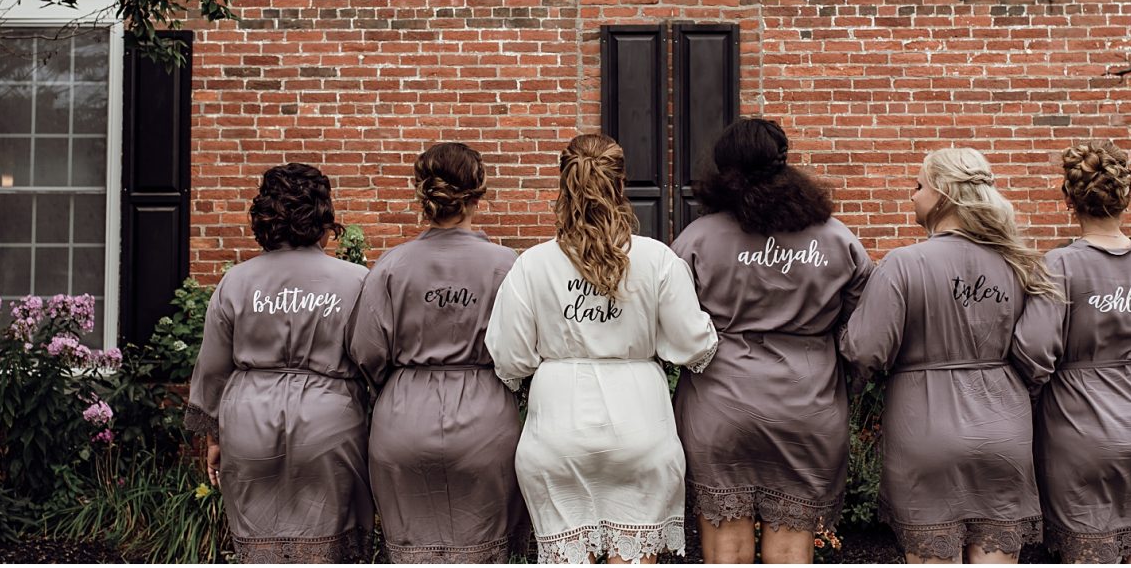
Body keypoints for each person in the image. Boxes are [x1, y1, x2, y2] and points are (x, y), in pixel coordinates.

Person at [486, 133, 718, 564]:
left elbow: (511, 357)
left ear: (563, 184)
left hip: (557, 424)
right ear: (621, 183)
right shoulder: (657, 259)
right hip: (639, 420)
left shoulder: (532, 264)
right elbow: (692, 345)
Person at [840, 147, 1058, 564]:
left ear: (942, 192)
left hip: (924, 429)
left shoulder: (902, 265)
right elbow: (1037, 355)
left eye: (918, 186)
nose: (911, 196)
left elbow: (864, 349)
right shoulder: (1023, 265)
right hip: (1003, 430)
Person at [671, 118, 874, 564]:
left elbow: (672, 323)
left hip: (720, 403)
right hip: (807, 401)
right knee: (790, 545)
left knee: (725, 544)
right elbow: (865, 326)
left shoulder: (696, 240)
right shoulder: (838, 239)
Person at [1010, 141, 1131, 564]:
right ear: (1125, 197)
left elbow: (1033, 352)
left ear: (1069, 199)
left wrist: (1041, 397)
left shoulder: (1058, 266)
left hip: (1081, 430)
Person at [347, 142, 527, 562]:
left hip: (404, 417)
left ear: (422, 195)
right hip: (486, 419)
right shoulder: (508, 264)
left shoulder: (391, 265)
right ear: (478, 195)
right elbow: (523, 349)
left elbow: (366, 351)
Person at [186, 163, 372, 563]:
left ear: (264, 215)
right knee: (332, 541)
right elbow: (373, 360)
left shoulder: (236, 281)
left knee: (261, 541)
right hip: (331, 423)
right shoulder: (355, 280)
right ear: (324, 214)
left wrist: (214, 437)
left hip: (249, 423)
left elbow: (213, 368)